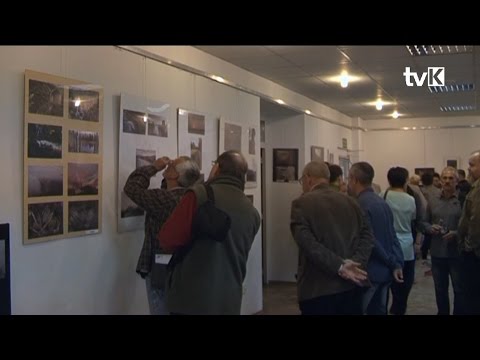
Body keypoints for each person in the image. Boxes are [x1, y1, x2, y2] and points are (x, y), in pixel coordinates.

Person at [158, 150, 261, 315]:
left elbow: (168, 239)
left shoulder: (199, 195)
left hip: (191, 297)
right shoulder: (253, 213)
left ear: (217, 168)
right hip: (229, 299)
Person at [290, 161, 374, 315]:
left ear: (308, 179)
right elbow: (368, 236)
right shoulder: (351, 201)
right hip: (352, 287)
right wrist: (356, 264)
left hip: (318, 289)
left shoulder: (301, 204)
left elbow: (308, 244)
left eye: (302, 181)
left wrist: (340, 267)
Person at [123, 156, 200, 315]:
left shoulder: (165, 199)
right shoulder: (192, 197)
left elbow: (131, 188)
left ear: (175, 176)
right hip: (185, 266)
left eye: (172, 165)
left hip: (161, 269)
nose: (169, 164)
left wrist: (154, 167)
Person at [347, 162, 404, 315]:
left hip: (370, 273)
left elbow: (370, 241)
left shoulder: (359, 205)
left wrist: (392, 262)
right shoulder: (382, 202)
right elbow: (393, 236)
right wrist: (396, 263)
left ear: (354, 180)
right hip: (385, 273)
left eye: (348, 179)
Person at [424, 167, 465, 315]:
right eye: (444, 178)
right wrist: (430, 228)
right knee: (440, 290)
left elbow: (469, 227)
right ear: (440, 180)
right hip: (437, 253)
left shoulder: (463, 199)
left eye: (450, 178)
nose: (447, 181)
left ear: (457, 181)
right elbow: (424, 222)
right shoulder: (433, 200)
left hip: (456, 253)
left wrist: (456, 233)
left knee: (459, 290)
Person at [382, 167, 416, 315]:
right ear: (405, 180)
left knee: (385, 288)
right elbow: (413, 219)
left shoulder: (382, 195)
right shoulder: (411, 199)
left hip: (387, 246)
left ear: (389, 180)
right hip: (407, 247)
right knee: (403, 289)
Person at [458, 150, 480, 314]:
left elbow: (475, 222)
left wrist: (468, 247)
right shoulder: (474, 187)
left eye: (472, 165)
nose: (469, 169)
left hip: (474, 254)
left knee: (471, 298)